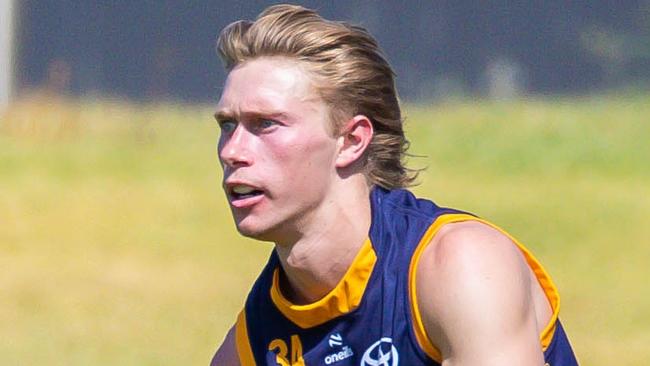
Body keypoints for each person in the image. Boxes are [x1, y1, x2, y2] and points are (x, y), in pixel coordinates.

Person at [210, 4, 577, 366]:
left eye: (266, 124)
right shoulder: (257, 335)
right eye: (227, 125)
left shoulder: (459, 264)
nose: (233, 150)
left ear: (352, 141)